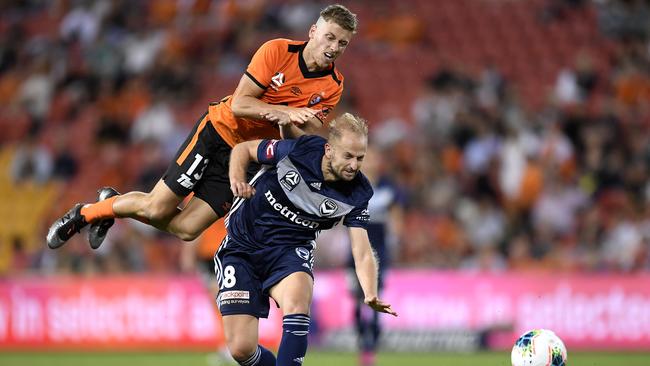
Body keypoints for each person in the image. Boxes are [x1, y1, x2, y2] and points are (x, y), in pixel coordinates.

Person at [46, 4, 358, 250]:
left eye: (342, 43)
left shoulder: (333, 86)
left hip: (246, 158)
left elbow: (295, 136)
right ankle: (84, 214)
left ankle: (111, 204)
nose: (333, 47)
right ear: (313, 31)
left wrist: (291, 124)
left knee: (186, 230)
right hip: (218, 131)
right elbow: (240, 103)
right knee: (157, 208)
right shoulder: (277, 50)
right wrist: (283, 112)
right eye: (329, 37)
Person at [218, 113, 397, 366]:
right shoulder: (301, 150)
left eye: (360, 158)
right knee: (241, 349)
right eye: (348, 156)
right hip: (242, 246)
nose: (354, 165)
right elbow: (243, 149)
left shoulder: (359, 192)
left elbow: (362, 249)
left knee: (298, 300)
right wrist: (237, 180)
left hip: (291, 251)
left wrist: (370, 292)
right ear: (329, 150)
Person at [346, 145, 404, 366]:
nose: (368, 162)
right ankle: (362, 340)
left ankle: (373, 346)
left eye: (372, 158)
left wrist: (396, 236)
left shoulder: (388, 187)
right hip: (354, 250)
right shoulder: (351, 184)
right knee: (356, 298)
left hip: (379, 251)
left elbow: (397, 215)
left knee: (377, 296)